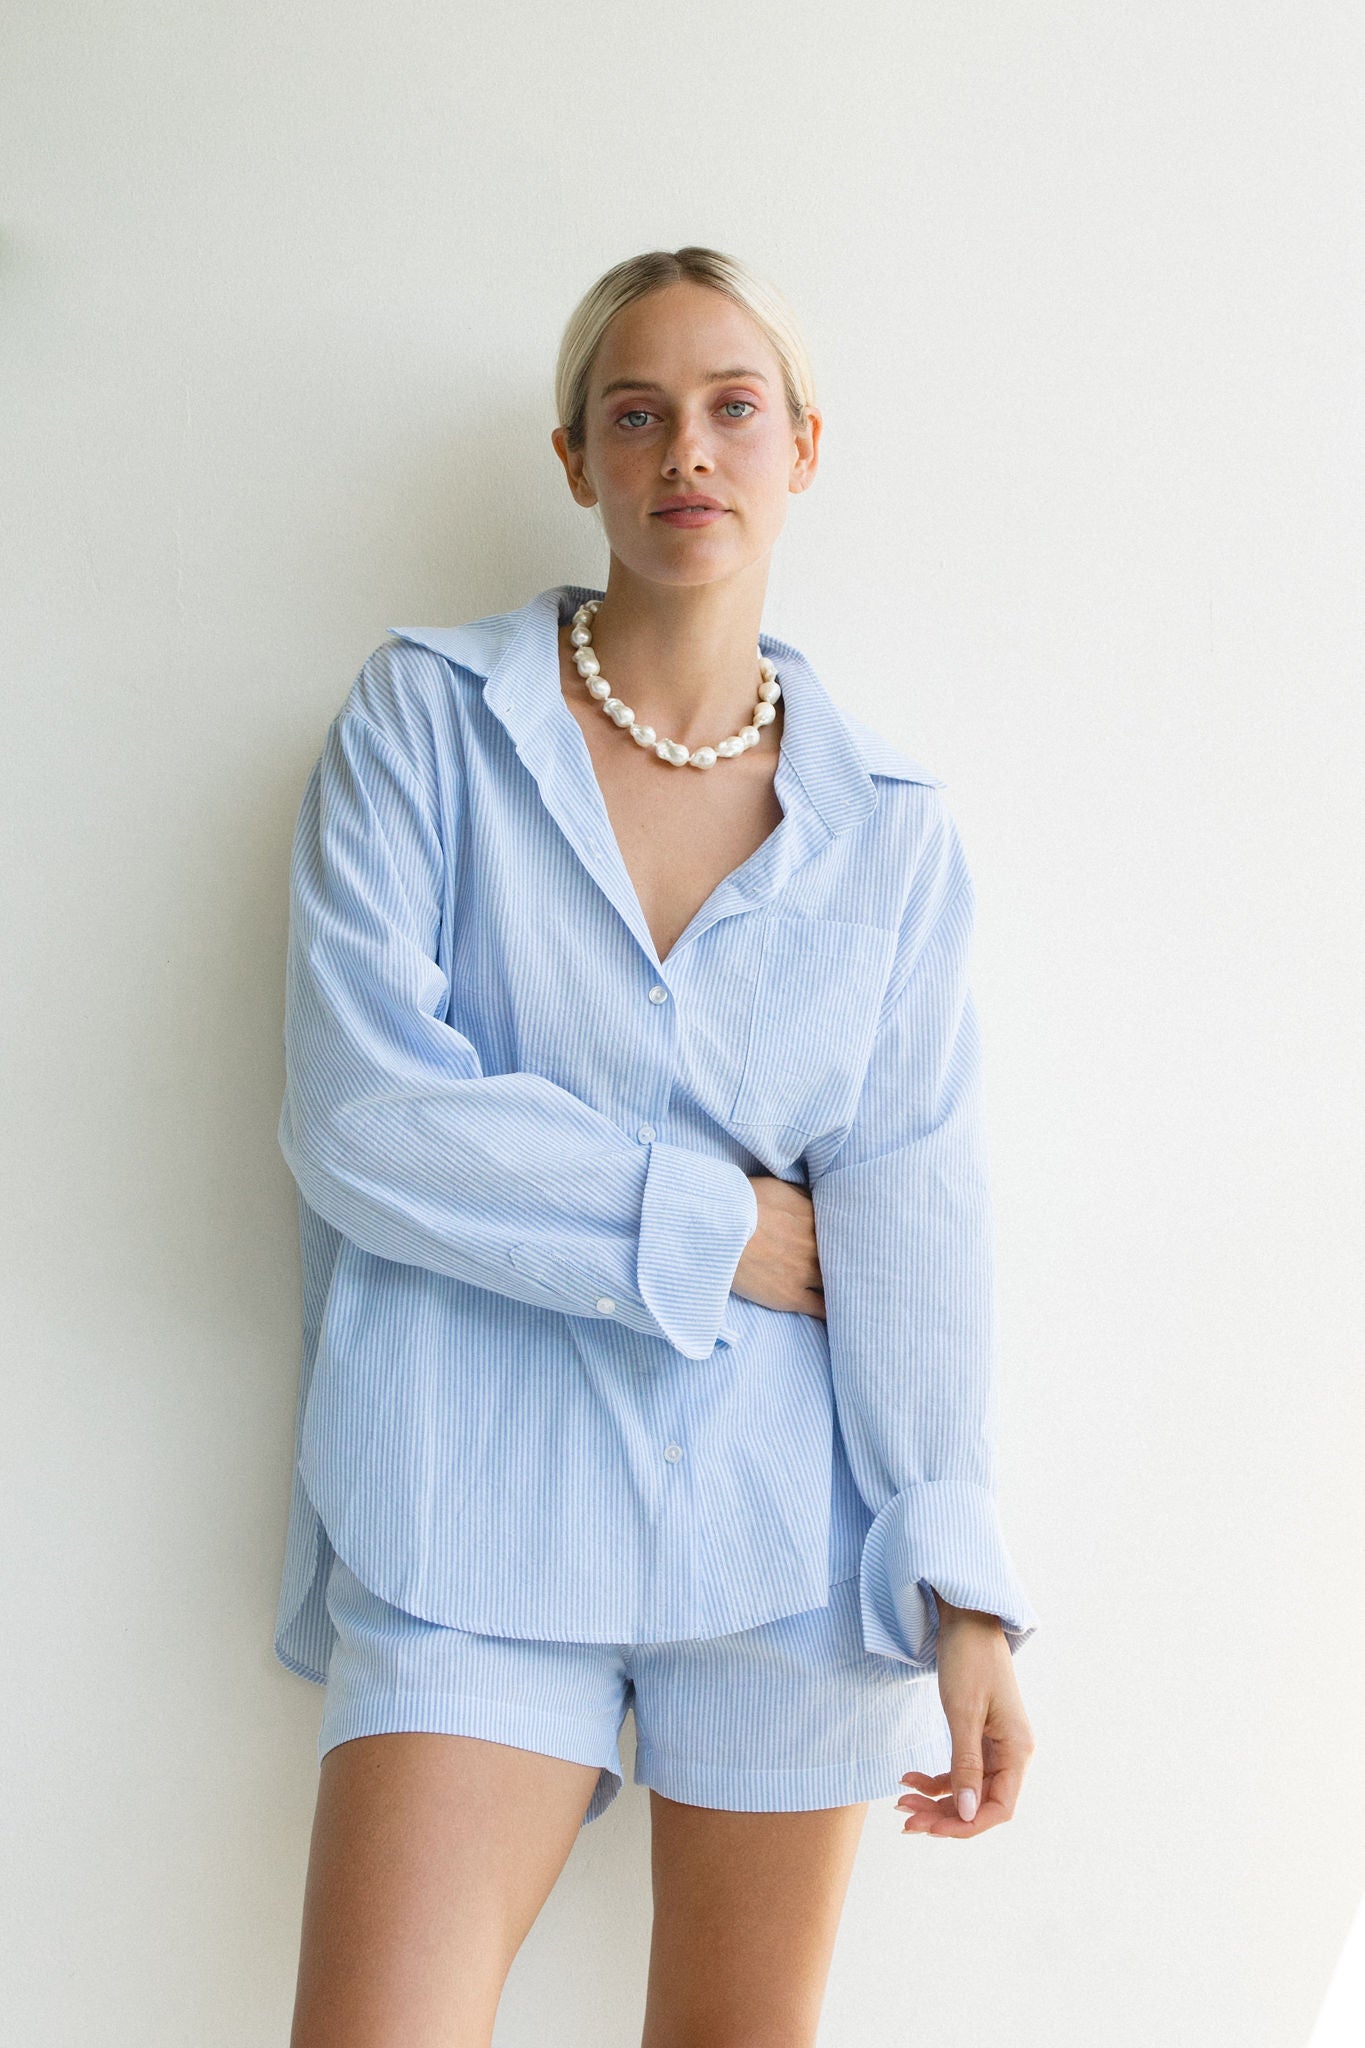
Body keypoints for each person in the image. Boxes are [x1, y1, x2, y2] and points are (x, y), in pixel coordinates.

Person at [274, 245, 1041, 2047]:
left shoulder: (890, 828)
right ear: (576, 461)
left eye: (730, 408)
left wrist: (963, 1592)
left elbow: (911, 1212)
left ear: (801, 448)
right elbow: (363, 1114)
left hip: (785, 1547)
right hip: (465, 1509)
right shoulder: (427, 723)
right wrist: (713, 1225)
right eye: (635, 415)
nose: (685, 449)